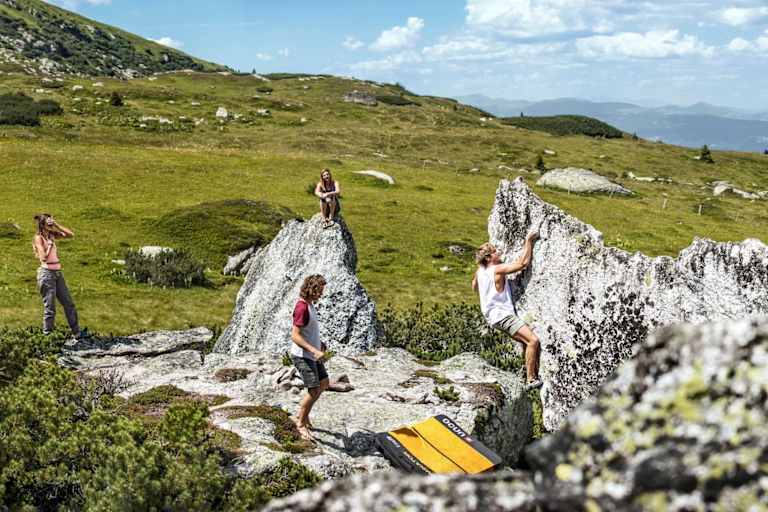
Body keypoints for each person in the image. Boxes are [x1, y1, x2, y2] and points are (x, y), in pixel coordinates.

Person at [472, 234, 542, 390]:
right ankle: (531, 379)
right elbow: (523, 263)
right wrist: (528, 241)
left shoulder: (480, 272)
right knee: (533, 341)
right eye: (496, 251)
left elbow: (474, 286)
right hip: (503, 316)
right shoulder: (497, 270)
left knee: (525, 341)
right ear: (489, 258)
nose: (500, 253)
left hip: (493, 317)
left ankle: (529, 370)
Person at [291, 274, 329, 441]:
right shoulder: (301, 307)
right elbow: (295, 335)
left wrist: (319, 343)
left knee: (324, 382)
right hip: (303, 356)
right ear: (311, 289)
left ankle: (304, 416)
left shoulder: (309, 305)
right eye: (319, 290)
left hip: (312, 353)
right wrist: (313, 350)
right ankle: (300, 423)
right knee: (313, 390)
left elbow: (308, 331)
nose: (321, 294)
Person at [32, 213, 83, 338]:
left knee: (68, 303)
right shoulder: (39, 238)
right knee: (50, 307)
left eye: (51, 222)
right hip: (47, 274)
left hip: (57, 273)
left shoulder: (52, 235)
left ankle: (77, 332)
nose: (50, 224)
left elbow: (71, 235)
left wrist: (56, 225)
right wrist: (49, 245)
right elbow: (43, 257)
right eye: (48, 223)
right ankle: (47, 336)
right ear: (42, 224)